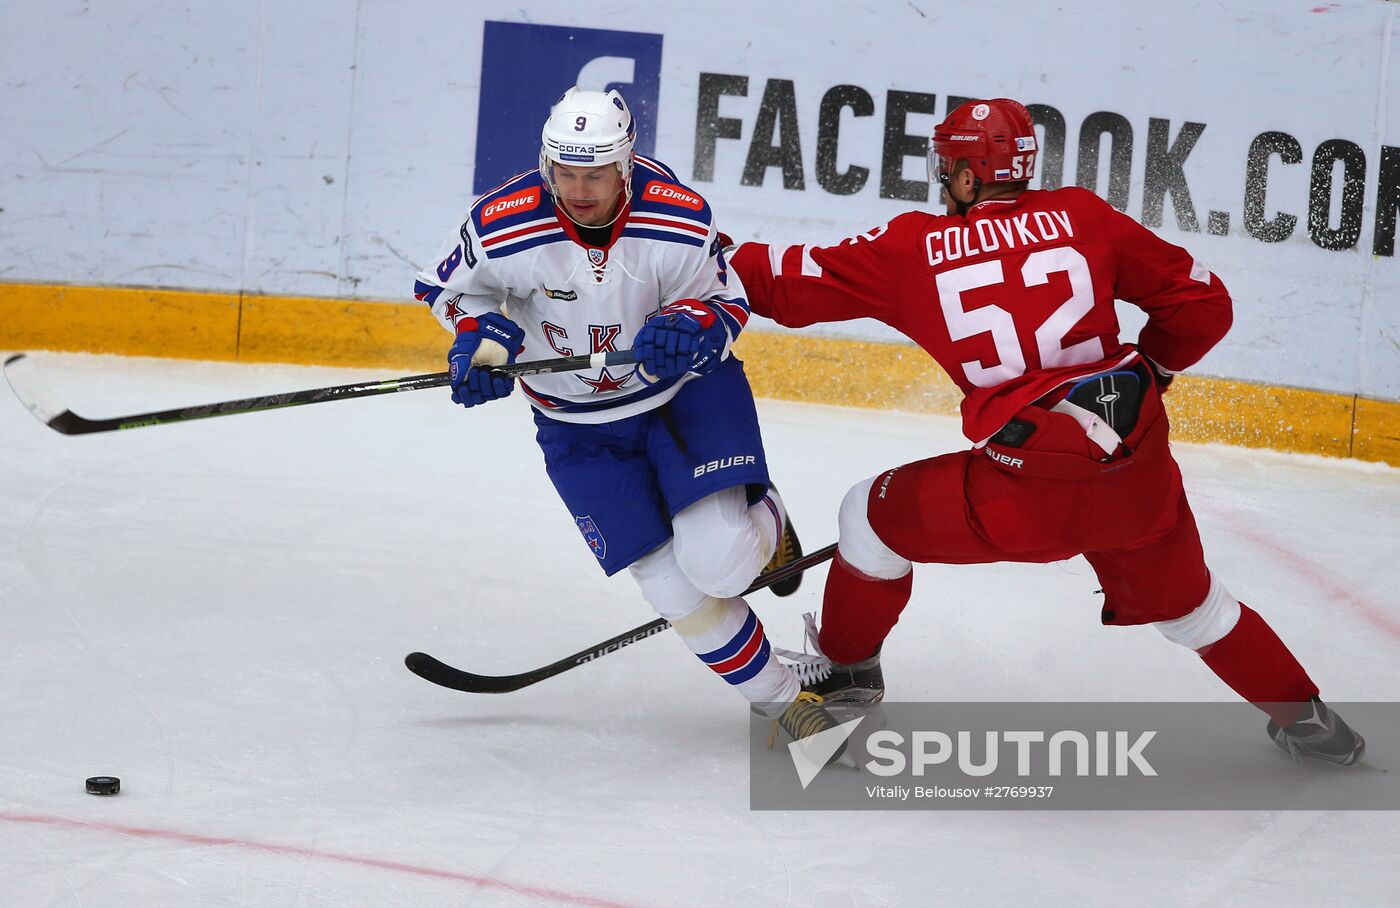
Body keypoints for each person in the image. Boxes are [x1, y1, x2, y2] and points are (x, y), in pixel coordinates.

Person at [730, 97, 1364, 765]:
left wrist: (683, 249)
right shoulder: (1084, 217)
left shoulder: (913, 247)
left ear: (970, 176)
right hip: (1134, 476)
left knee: (869, 516)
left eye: (950, 167)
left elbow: (779, 285)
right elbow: (1204, 305)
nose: (944, 180)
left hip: (1021, 497)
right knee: (1198, 612)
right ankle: (1314, 726)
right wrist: (1156, 366)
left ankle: (846, 682)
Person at [413, 86, 844, 756]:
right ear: (547, 163)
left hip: (684, 399)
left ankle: (770, 522)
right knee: (672, 582)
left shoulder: (678, 218)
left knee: (721, 563)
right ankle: (786, 701)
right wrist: (481, 340)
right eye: (566, 173)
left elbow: (725, 302)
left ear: (626, 165)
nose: (579, 190)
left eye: (595, 174)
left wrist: (692, 325)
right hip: (576, 428)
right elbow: (449, 289)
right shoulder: (501, 222)